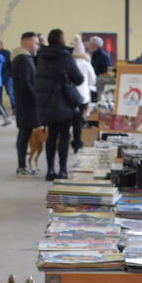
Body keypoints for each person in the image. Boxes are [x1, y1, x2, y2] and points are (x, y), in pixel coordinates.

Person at [34, 27, 85, 180]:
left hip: (46, 102)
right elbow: (79, 79)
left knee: (51, 136)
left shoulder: (41, 56)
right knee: (63, 137)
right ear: (62, 40)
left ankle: (50, 170)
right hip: (63, 102)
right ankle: (62, 170)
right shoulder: (66, 57)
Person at [12, 31, 40, 175]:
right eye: (36, 43)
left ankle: (24, 165)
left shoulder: (24, 58)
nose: (38, 46)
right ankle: (21, 166)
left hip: (26, 103)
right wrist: (37, 99)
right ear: (27, 42)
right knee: (24, 134)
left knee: (25, 133)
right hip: (27, 104)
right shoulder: (23, 59)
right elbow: (26, 84)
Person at [71, 35, 96, 152]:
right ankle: (77, 141)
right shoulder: (86, 64)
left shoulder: (70, 63)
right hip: (83, 96)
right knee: (79, 121)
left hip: (70, 96)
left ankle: (69, 140)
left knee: (69, 120)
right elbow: (93, 80)